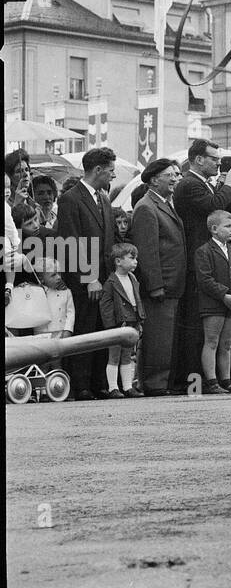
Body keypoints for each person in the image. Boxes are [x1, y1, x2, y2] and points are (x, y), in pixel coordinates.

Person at [173, 140, 231, 387]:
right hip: (197, 260)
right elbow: (213, 208)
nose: (218, 164)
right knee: (196, 326)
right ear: (198, 159)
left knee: (207, 329)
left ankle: (206, 379)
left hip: (209, 258)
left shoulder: (204, 184)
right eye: (214, 159)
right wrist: (229, 184)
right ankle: (194, 381)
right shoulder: (189, 184)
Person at [55, 146, 118, 400]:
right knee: (85, 329)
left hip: (105, 278)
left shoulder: (103, 198)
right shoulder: (70, 199)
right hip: (85, 281)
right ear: (98, 169)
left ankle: (99, 383)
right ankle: (81, 385)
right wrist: (90, 277)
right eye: (111, 171)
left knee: (103, 330)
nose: (113, 176)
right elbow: (70, 241)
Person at [129, 158, 188, 396]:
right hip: (161, 285)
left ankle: (161, 382)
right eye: (169, 175)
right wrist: (155, 285)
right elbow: (147, 250)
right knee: (158, 338)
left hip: (172, 283)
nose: (175, 179)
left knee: (166, 337)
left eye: (176, 175)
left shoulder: (163, 203)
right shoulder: (146, 206)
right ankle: (154, 383)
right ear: (154, 179)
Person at [194, 209, 231, 393]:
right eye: (227, 226)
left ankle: (226, 380)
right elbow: (205, 279)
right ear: (214, 229)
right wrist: (224, 295)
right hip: (213, 304)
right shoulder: (204, 251)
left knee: (227, 343)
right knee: (212, 341)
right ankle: (212, 381)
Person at [99, 242, 146, 397]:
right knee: (114, 355)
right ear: (118, 261)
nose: (135, 261)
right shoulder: (111, 282)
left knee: (127, 355)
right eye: (131, 258)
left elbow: (137, 299)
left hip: (132, 321)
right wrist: (110, 326)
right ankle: (113, 388)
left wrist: (140, 319)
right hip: (117, 324)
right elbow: (105, 306)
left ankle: (127, 387)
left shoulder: (133, 278)